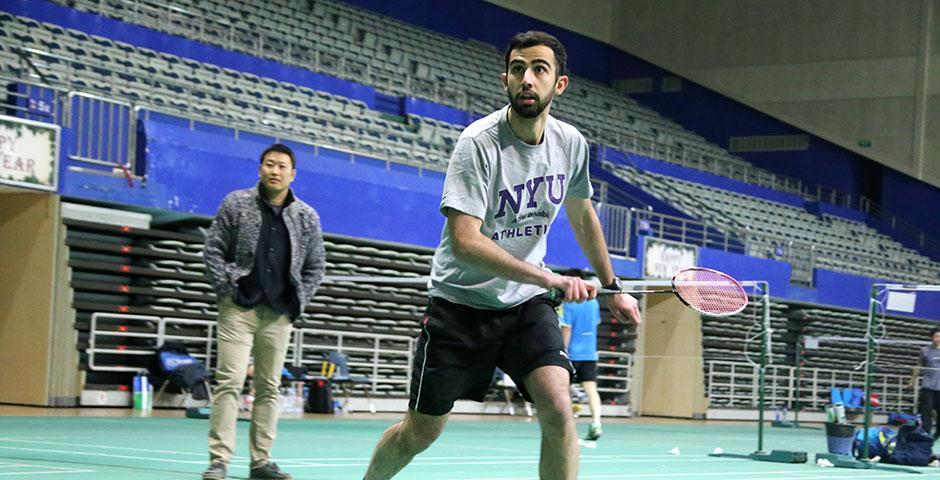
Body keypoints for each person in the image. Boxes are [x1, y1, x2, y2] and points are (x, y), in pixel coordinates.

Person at [362, 31, 642, 480]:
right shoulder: (478, 143)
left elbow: (582, 212)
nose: (527, 79)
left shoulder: (570, 144)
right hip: (459, 306)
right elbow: (465, 242)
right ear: (505, 80)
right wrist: (547, 279)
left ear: (560, 84)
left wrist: (613, 288)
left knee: (558, 409)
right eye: (517, 69)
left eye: (539, 69)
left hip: (524, 306)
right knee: (421, 432)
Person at [202, 144, 326, 480]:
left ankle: (261, 461)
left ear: (292, 174)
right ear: (260, 168)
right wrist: (227, 288)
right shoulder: (236, 203)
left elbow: (316, 267)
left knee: (270, 387)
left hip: (279, 313)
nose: (275, 170)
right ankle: (219, 460)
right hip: (238, 308)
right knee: (230, 381)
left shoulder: (306, 217)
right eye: (269, 164)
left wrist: (298, 301)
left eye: (282, 166)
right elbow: (212, 249)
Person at [558, 269, 604, 441]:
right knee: (591, 389)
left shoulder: (568, 303)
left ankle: (567, 428)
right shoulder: (594, 303)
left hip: (572, 354)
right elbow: (595, 324)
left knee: (562, 390)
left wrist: (563, 350)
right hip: (589, 353)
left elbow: (567, 328)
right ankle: (597, 423)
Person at [908, 327, 940, 439]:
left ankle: (938, 432)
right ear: (931, 337)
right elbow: (918, 366)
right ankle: (926, 431)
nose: (938, 339)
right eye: (936, 336)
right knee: (926, 410)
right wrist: (912, 380)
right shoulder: (925, 350)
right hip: (928, 385)